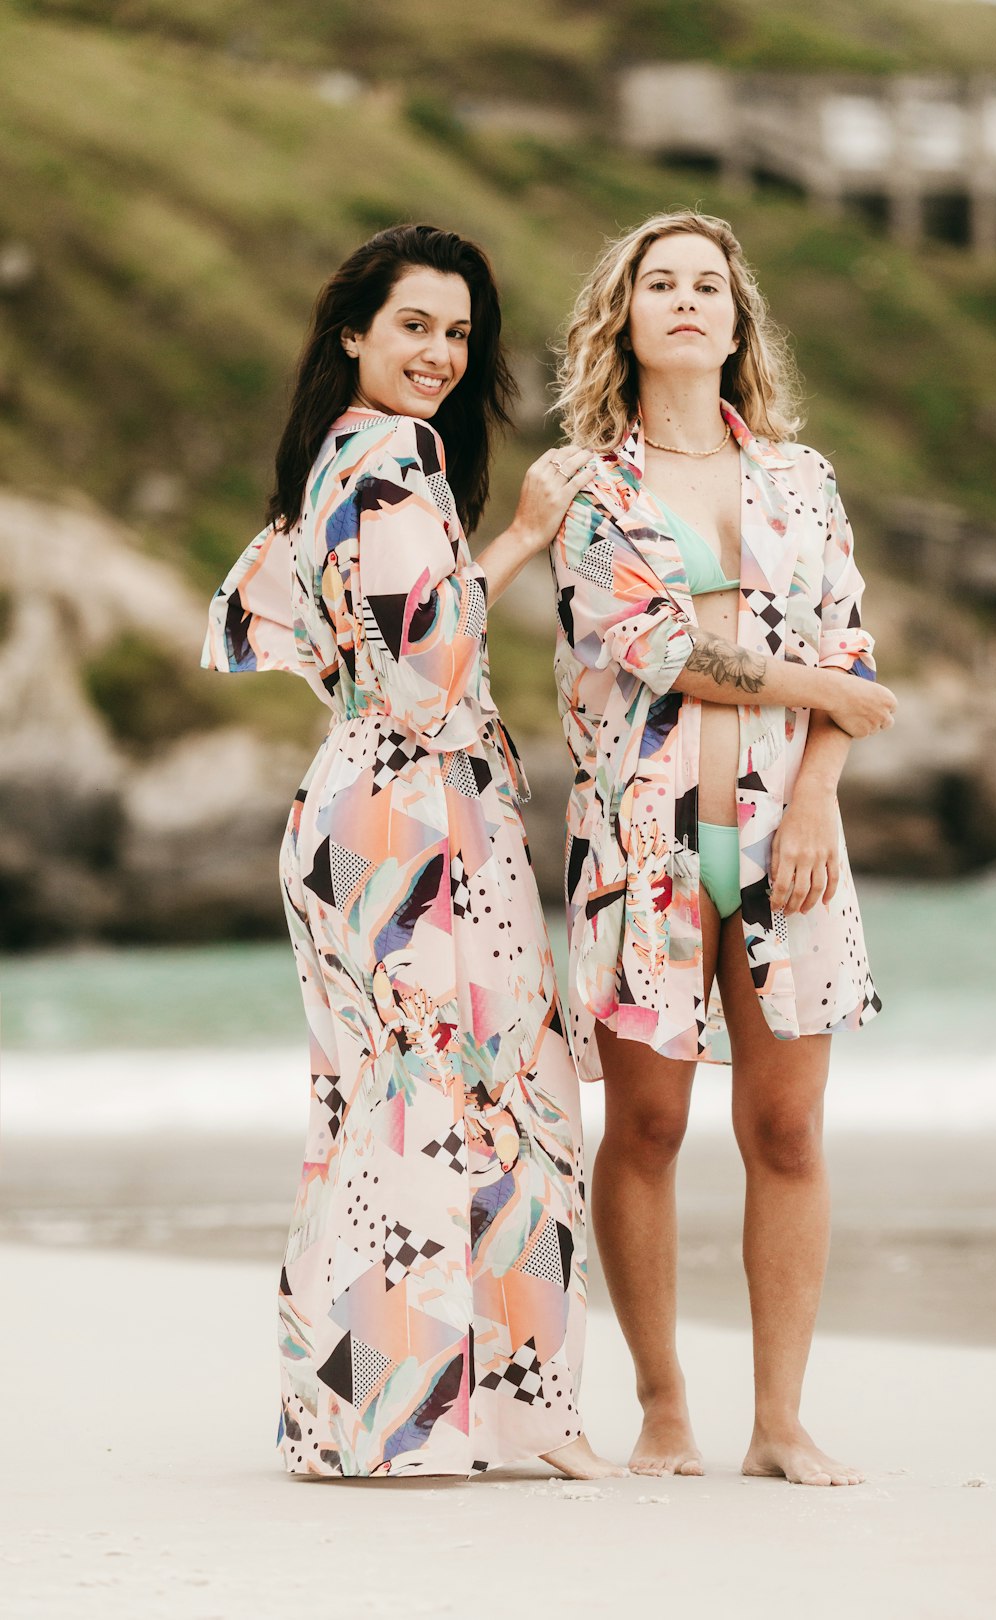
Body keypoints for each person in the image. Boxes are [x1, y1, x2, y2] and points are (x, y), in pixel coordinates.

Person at [202, 223, 621, 1480]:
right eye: (413, 327)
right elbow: (432, 671)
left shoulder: (332, 460)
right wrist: (523, 539)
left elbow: (261, 617)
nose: (440, 353)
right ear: (354, 333)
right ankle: (501, 1418)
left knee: (383, 1106)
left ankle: (366, 1416)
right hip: (417, 808)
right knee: (491, 1102)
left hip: (354, 802)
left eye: (459, 332)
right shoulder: (391, 461)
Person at [549, 210, 897, 1485]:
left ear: (738, 321)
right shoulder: (587, 487)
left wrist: (819, 789)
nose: (688, 300)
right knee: (644, 1129)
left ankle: (781, 1422)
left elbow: (853, 654)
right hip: (640, 848)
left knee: (790, 1132)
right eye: (661, 283)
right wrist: (828, 690)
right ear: (626, 316)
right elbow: (648, 651)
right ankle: (662, 1408)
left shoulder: (803, 480)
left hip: (790, 842)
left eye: (710, 285)